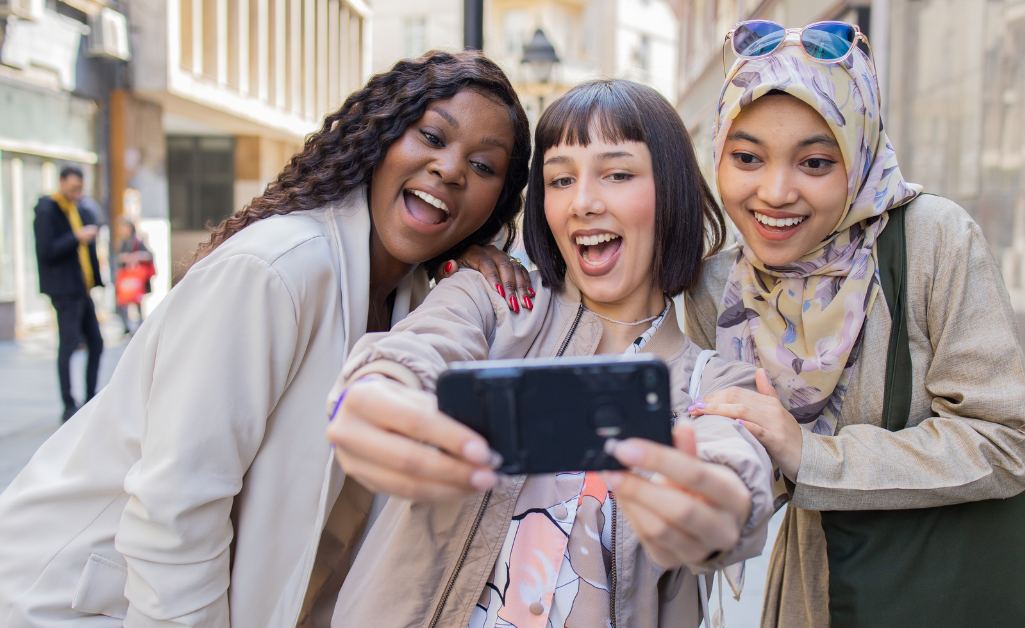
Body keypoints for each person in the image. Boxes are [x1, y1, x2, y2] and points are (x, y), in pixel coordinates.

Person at [0, 51, 531, 626]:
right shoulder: (276, 270)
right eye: (431, 135)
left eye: (483, 167)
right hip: (68, 597)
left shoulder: (406, 298)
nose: (451, 169)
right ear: (380, 137)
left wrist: (456, 266)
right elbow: (174, 510)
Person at [325, 79, 776, 627]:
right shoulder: (492, 300)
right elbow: (414, 352)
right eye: (561, 179)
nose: (583, 202)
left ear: (673, 192)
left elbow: (730, 461)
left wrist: (721, 504)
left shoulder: (717, 383)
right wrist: (375, 393)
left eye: (617, 173)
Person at [678, 25, 1025, 627]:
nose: (775, 192)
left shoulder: (931, 240)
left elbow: (1007, 442)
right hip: (809, 588)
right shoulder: (723, 288)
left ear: (860, 151)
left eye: (816, 162)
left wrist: (812, 456)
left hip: (929, 590)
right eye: (746, 158)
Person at [33, 166, 104, 422]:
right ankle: (68, 404)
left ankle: (90, 398)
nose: (77, 193)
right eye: (73, 188)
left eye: (80, 188)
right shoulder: (46, 211)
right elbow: (46, 252)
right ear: (61, 182)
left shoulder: (81, 209)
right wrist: (76, 236)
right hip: (63, 291)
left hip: (82, 289)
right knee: (68, 346)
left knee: (96, 343)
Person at [112, 217, 154, 334]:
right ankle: (128, 327)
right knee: (123, 303)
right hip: (125, 277)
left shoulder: (138, 241)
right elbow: (116, 258)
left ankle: (140, 326)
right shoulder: (121, 242)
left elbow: (149, 255)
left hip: (136, 277)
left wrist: (136, 256)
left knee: (137, 302)